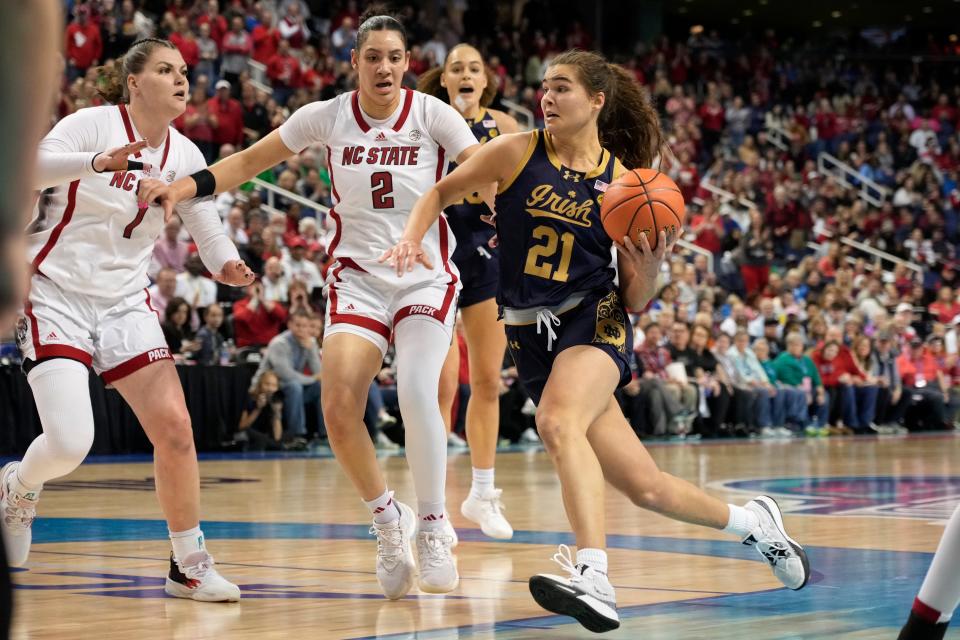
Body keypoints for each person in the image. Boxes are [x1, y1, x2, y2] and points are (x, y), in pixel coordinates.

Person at [384, 49, 809, 632]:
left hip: (595, 317)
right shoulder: (515, 150)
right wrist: (412, 239)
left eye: (561, 88)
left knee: (557, 423)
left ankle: (594, 575)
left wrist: (653, 265)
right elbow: (436, 194)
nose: (547, 98)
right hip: (527, 333)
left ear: (597, 101)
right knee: (646, 487)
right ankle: (753, 523)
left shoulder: (627, 184)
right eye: (545, 88)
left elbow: (635, 298)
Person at [145, 11, 482, 597]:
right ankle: (387, 518)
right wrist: (184, 186)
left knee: (414, 388)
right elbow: (248, 163)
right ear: (353, 62)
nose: (384, 67)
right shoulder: (325, 116)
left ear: (407, 64)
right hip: (357, 276)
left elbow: (481, 170)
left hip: (425, 272)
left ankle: (432, 522)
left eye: (395, 57)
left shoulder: (433, 114)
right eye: (372, 56)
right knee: (337, 404)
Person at [10, 38, 252, 601]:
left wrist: (227, 265)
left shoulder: (187, 155)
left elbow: (206, 224)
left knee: (175, 428)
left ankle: (188, 564)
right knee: (71, 442)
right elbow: (32, 166)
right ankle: (18, 489)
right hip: (53, 293)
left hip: (124, 301)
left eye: (185, 71)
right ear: (134, 81)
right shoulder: (91, 125)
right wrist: (99, 163)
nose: (180, 79)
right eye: (166, 70)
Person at [418, 43, 520, 540]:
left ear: (485, 81)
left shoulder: (503, 126)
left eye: (473, 68)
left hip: (486, 256)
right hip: (436, 253)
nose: (464, 74)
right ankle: (433, 507)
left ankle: (482, 492)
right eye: (456, 67)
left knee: (486, 380)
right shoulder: (426, 119)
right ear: (443, 79)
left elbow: (521, 190)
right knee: (439, 386)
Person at [250, 309, 324, 447]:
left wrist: (311, 349)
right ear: (289, 325)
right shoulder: (279, 343)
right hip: (268, 387)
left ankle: (324, 435)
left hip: (291, 386)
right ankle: (296, 435)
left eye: (305, 326)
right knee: (295, 387)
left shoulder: (309, 342)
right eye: (298, 325)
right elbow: (286, 375)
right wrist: (313, 379)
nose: (302, 329)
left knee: (320, 387)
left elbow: (318, 372)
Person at [237, 370, 284, 451]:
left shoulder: (277, 401)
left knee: (278, 443)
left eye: (274, 385)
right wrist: (258, 409)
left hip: (266, 438)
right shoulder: (249, 398)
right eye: (267, 384)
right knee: (261, 439)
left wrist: (277, 412)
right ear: (260, 385)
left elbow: (277, 436)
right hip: (249, 435)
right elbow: (242, 426)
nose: (270, 389)